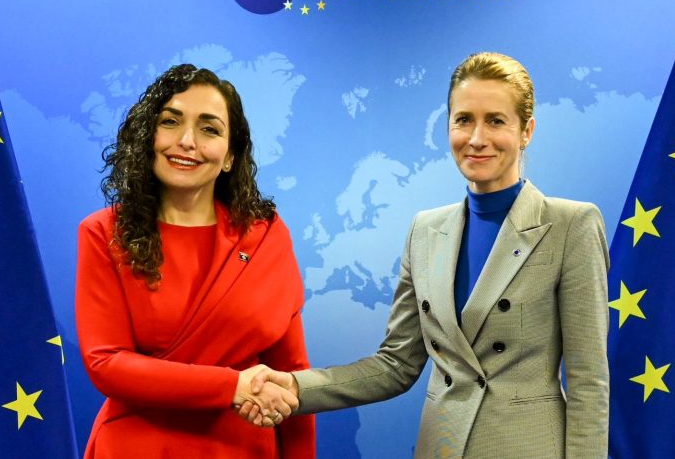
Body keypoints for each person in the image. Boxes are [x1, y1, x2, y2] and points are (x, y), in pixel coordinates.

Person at [240, 52, 610, 457]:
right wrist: (296, 386)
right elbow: (395, 365)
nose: (477, 138)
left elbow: (588, 381)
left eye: (495, 121)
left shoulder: (571, 225)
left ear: (527, 131)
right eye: (464, 119)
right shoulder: (425, 230)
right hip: (442, 446)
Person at [75, 64, 315, 458]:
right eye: (170, 122)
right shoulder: (103, 233)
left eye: (209, 129)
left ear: (230, 156)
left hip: (243, 447)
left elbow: (291, 376)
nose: (187, 141)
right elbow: (107, 362)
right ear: (147, 137)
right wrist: (231, 387)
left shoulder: (266, 235)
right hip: (139, 446)